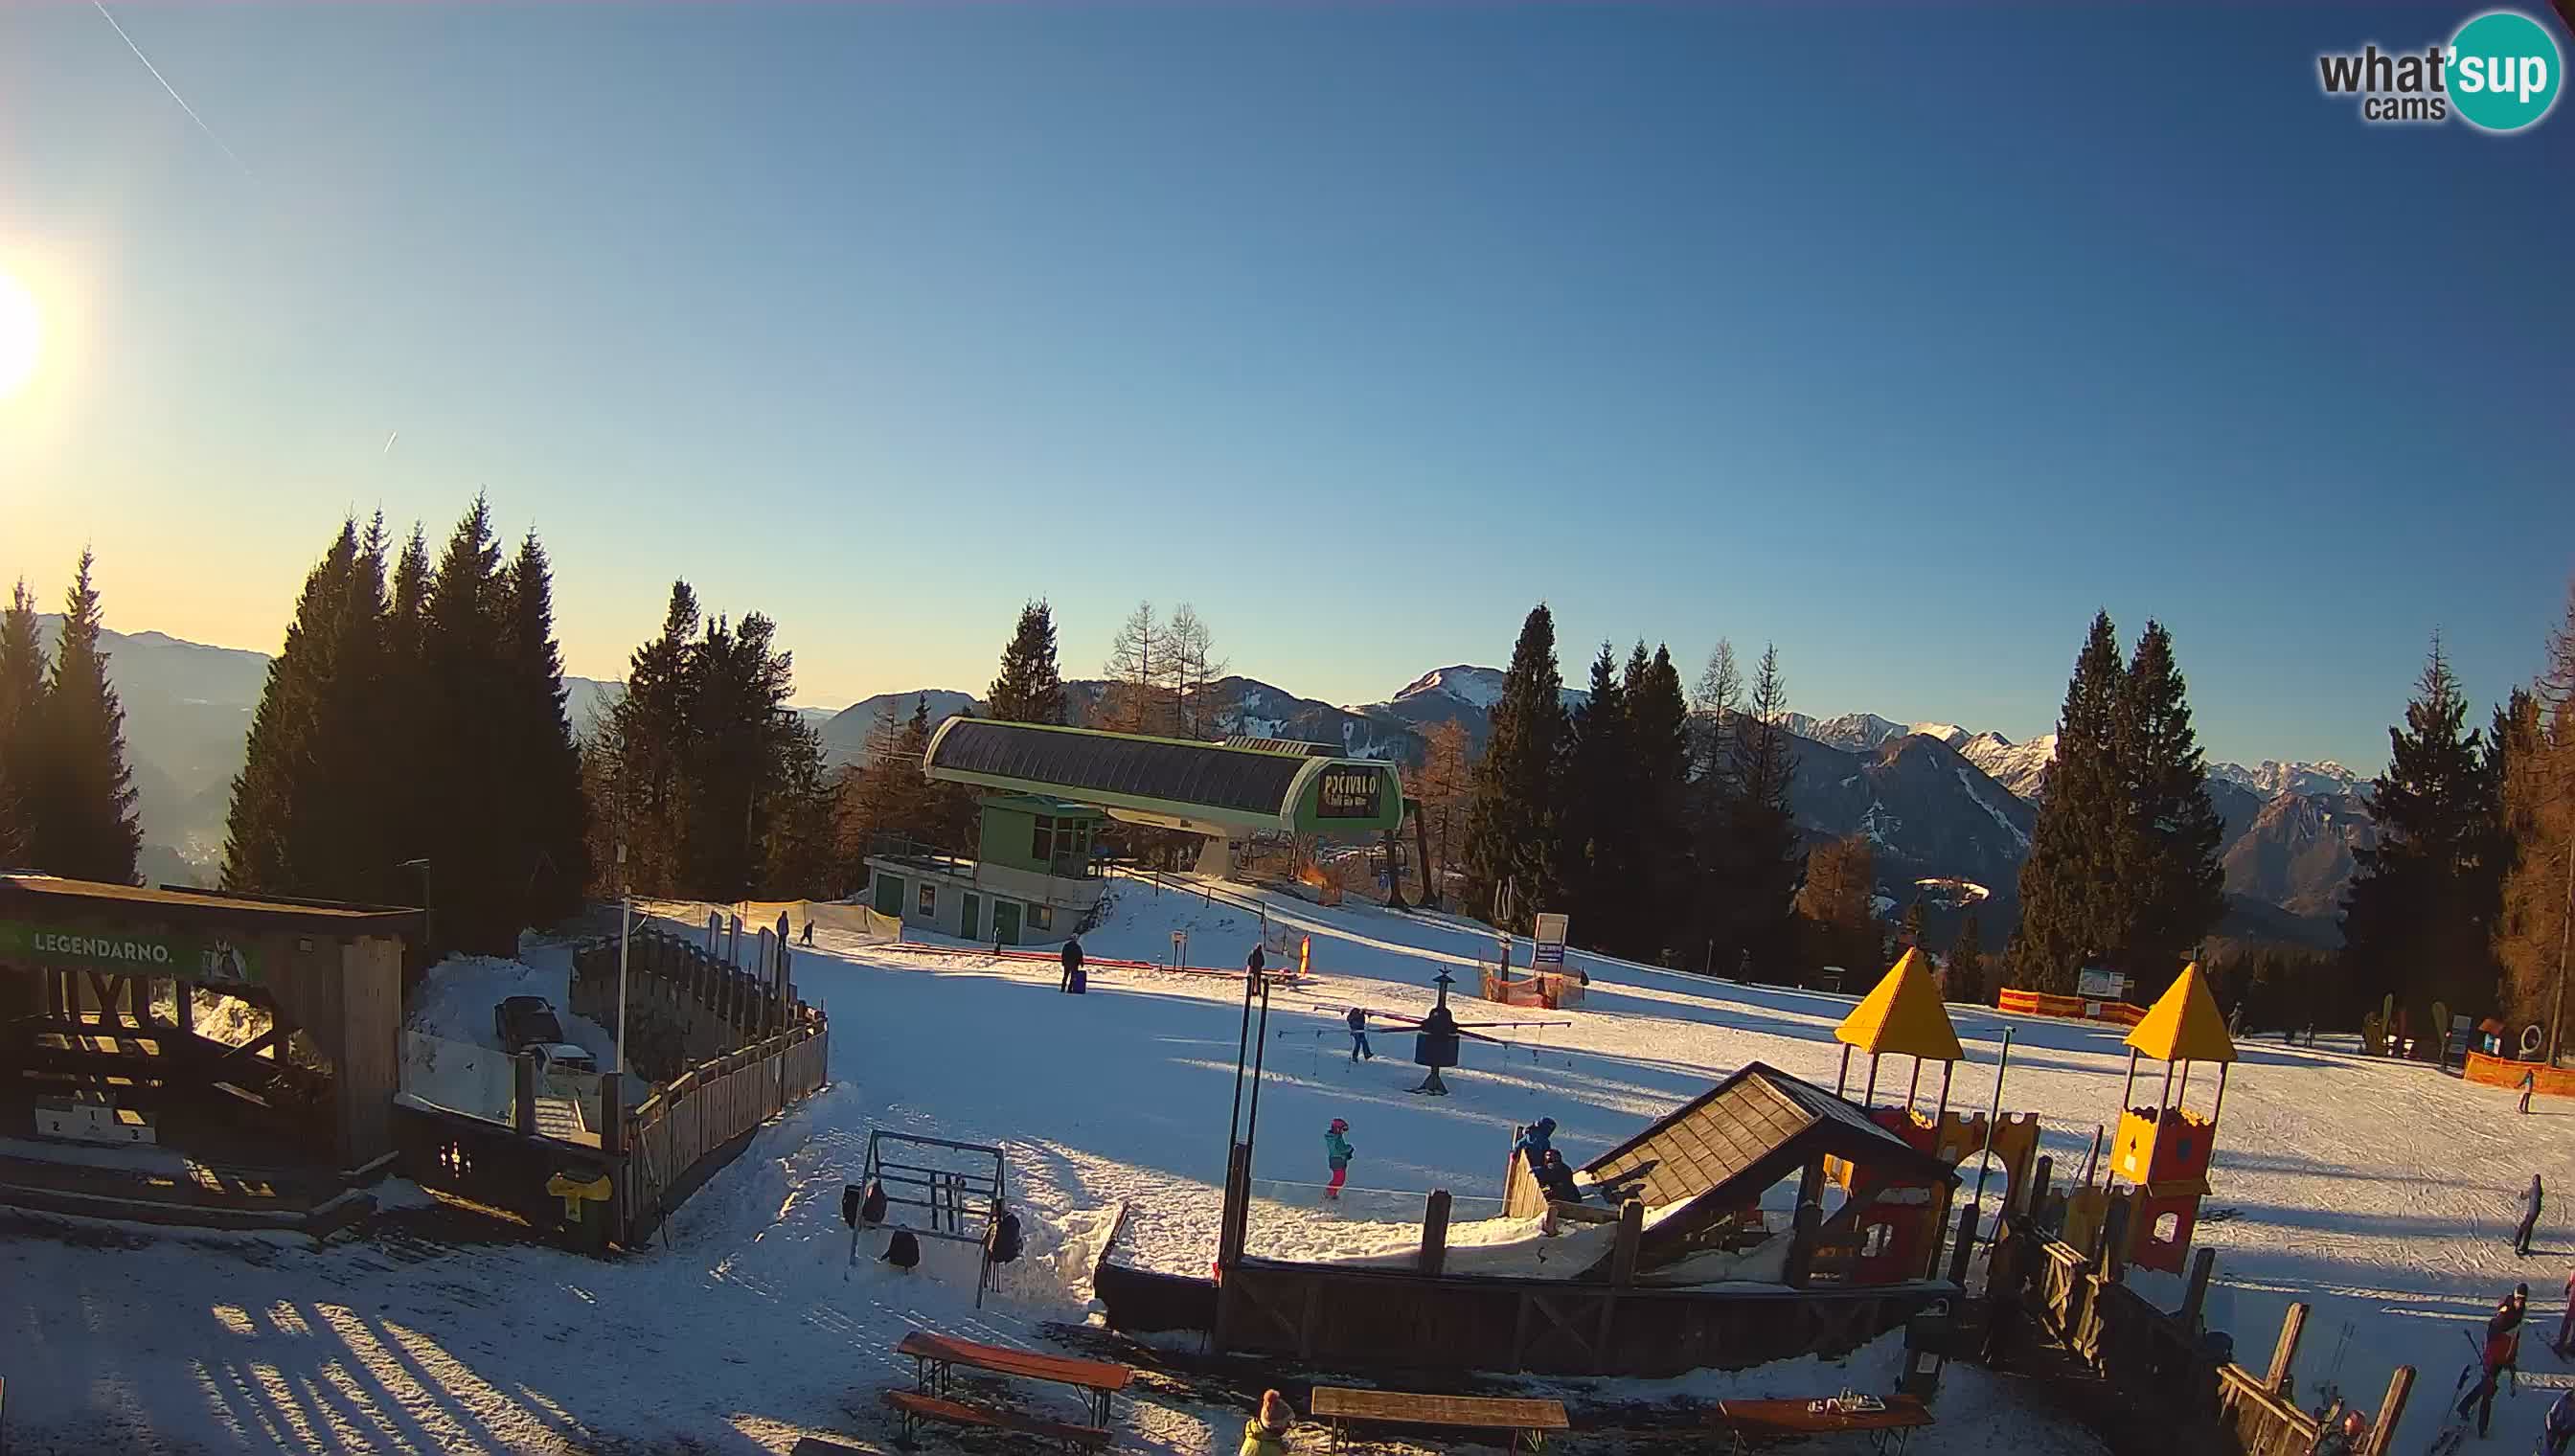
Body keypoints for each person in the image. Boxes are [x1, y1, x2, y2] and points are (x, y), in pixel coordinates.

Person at [2458, 1285, 2528, 1437]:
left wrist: (2511, 1358)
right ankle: (2482, 1428)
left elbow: (2515, 1338)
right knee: (2488, 1392)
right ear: (2514, 1297)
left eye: (2523, 1300)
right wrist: (2490, 1361)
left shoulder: (2519, 1312)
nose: (2521, 1302)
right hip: (2494, 1358)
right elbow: (2491, 1339)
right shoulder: (2504, 1316)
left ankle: (2464, 1406)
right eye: (2518, 1299)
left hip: (2503, 1357)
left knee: (2487, 1386)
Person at [1239, 1390, 1296, 1456]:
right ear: (1276, 1426)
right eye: (1287, 1422)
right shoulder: (1259, 1450)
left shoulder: (1262, 1436)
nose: (1289, 1426)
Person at [1323, 1118, 1353, 1200]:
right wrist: (1348, 1148)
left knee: (1339, 1178)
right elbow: (1339, 1149)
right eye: (1343, 1129)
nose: (1344, 1132)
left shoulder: (1337, 1137)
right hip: (1337, 1161)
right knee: (1339, 1179)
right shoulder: (1334, 1139)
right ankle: (1329, 1192)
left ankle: (1332, 1192)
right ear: (1337, 1129)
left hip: (1339, 1160)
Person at [2520, 1174, 2547, 1257]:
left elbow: (2523, 1197)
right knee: (2526, 1227)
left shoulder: (2533, 1190)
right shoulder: (2539, 1190)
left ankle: (2522, 1246)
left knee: (2525, 1228)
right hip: (2534, 1212)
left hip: (2532, 1212)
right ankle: (2521, 1245)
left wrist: (2521, 1194)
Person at [2545, 1386, 2575, 1456]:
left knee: (2561, 1446)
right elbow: (2550, 1414)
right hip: (2556, 1425)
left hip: (2568, 1430)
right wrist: (2550, 1428)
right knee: (2551, 1441)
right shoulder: (2563, 1399)